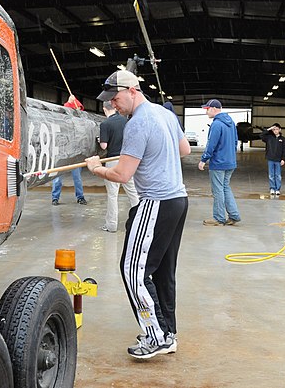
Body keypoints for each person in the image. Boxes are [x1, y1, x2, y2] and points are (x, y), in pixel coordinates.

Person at [85, 70, 191, 359]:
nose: (114, 105)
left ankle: (155, 337)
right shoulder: (165, 114)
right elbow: (184, 149)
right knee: (163, 271)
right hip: (178, 200)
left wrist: (96, 167)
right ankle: (168, 333)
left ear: (133, 90)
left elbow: (121, 174)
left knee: (134, 271)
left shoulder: (138, 123)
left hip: (156, 202)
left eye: (116, 99)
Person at [197, 99, 241, 226]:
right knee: (225, 188)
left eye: (207, 109)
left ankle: (219, 218)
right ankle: (234, 215)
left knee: (217, 190)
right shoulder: (231, 122)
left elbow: (212, 144)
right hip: (230, 162)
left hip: (218, 163)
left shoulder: (216, 124)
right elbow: (235, 142)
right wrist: (232, 157)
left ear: (214, 109)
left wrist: (204, 159)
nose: (206, 112)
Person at [98, 101, 139, 232]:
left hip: (113, 160)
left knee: (112, 194)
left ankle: (111, 225)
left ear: (104, 109)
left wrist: (100, 140)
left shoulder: (105, 124)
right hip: (127, 159)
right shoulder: (125, 121)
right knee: (133, 193)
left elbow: (104, 146)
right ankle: (140, 221)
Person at [51, 94, 87, 205]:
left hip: (75, 154)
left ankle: (80, 197)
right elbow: (64, 111)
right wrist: (69, 103)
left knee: (77, 178)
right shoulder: (62, 120)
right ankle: (55, 197)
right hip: (62, 153)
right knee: (57, 178)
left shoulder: (80, 123)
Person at [260, 123, 285, 196]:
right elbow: (261, 135)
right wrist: (269, 129)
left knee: (278, 175)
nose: (275, 131)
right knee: (271, 175)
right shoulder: (269, 138)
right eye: (274, 129)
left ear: (280, 130)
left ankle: (277, 189)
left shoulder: (283, 139)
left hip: (278, 160)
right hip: (270, 159)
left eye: (277, 129)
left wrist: (283, 159)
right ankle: (272, 188)